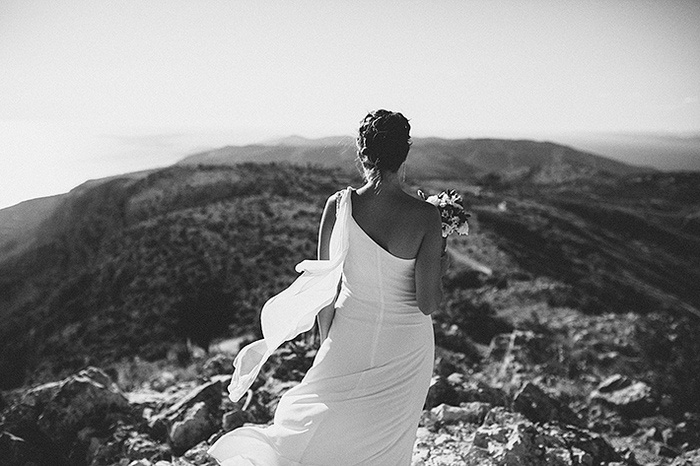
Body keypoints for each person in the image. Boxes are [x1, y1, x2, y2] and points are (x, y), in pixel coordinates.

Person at [208, 109, 445, 465]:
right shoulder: (426, 216)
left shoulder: (339, 206)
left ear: (363, 153)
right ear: (405, 153)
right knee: (388, 436)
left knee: (321, 420)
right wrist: (441, 264)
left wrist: (328, 344)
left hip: (348, 332)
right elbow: (428, 302)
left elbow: (324, 288)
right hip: (408, 344)